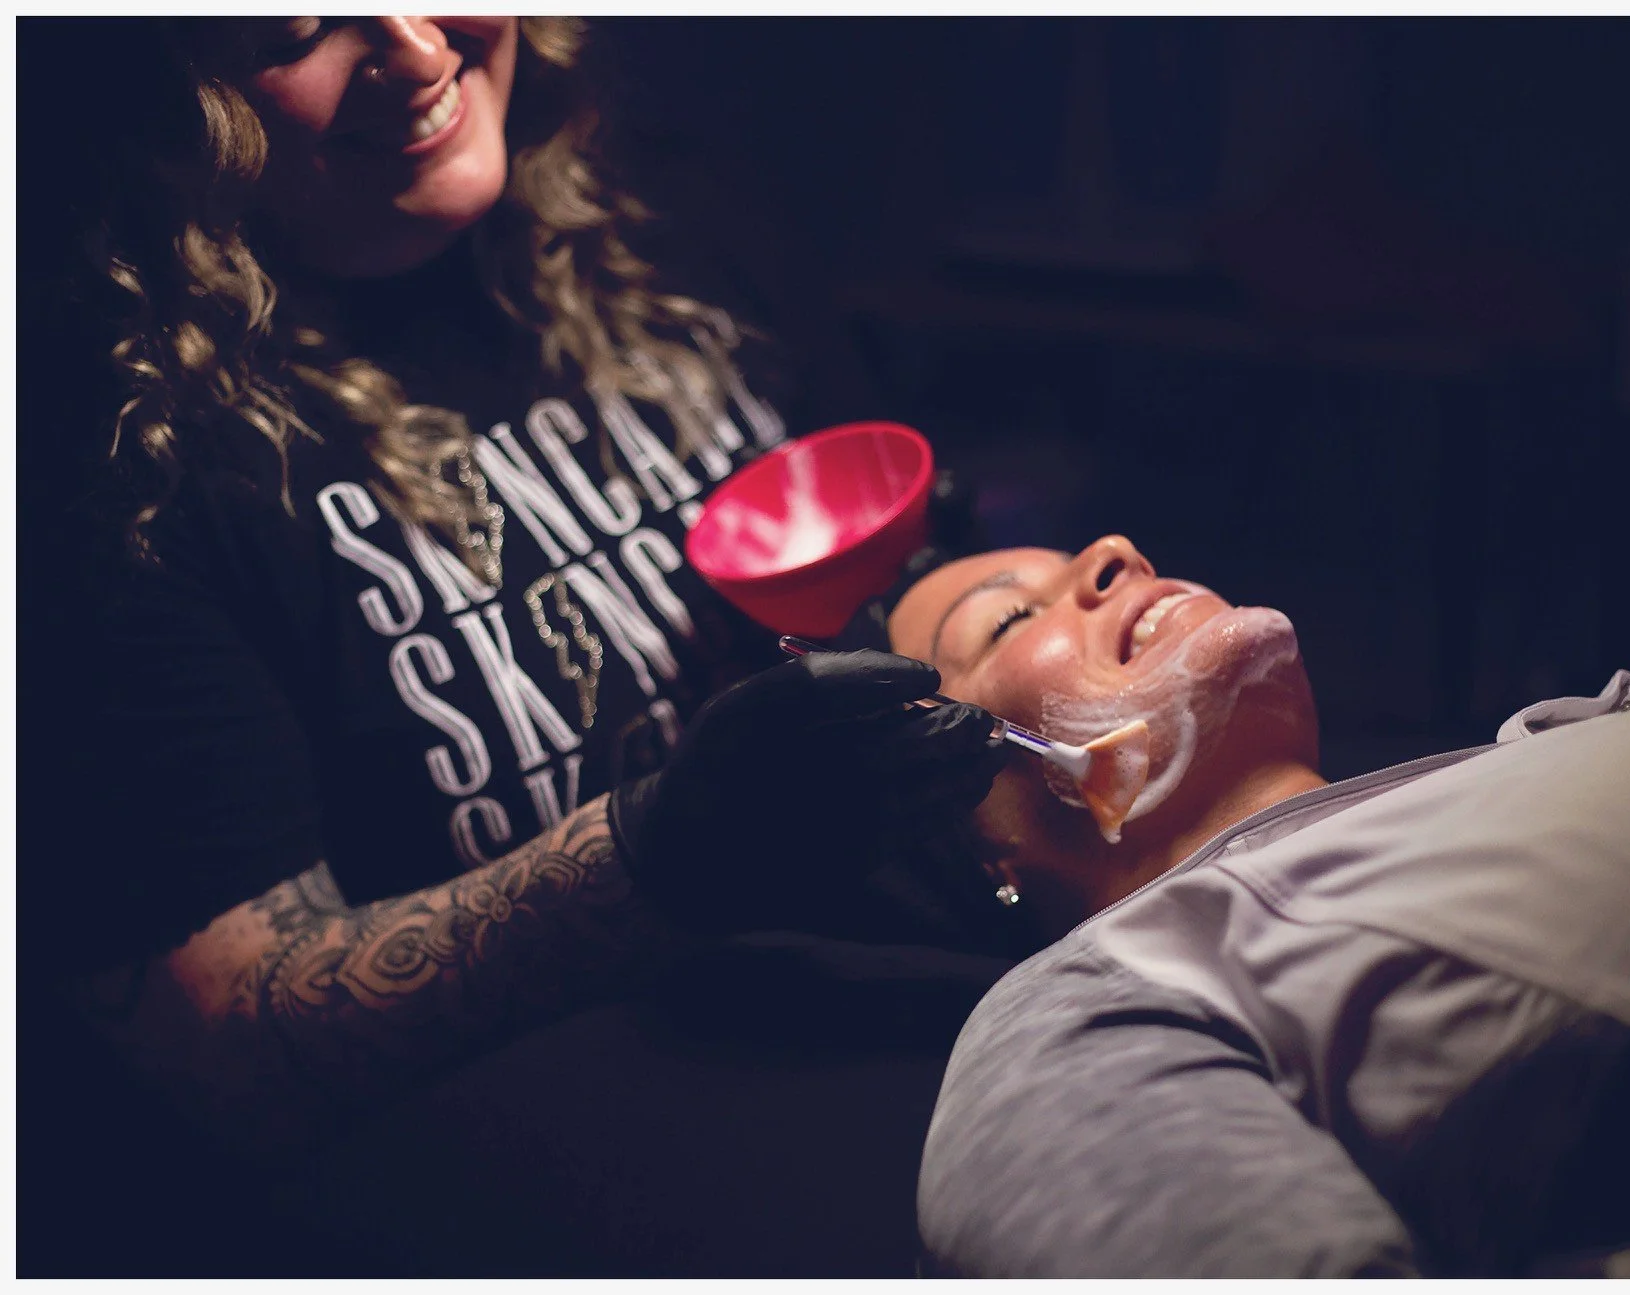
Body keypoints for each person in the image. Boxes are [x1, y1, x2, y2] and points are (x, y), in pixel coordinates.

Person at [17, 16, 1013, 1274]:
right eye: (305, 25)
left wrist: (969, 597)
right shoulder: (115, 450)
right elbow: (220, 1049)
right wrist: (654, 854)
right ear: (156, 80)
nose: (417, 49)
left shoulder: (665, 220)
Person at [879, 535, 1630, 1277]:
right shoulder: (1077, 1010)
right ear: (986, 847)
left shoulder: (1562, 741)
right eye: (1011, 618)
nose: (1115, 551)